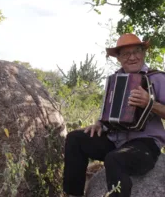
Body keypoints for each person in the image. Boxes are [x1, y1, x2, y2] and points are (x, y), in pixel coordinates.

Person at [63, 33, 165, 197]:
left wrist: (150, 103)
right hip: (114, 139)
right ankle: (73, 194)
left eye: (136, 52)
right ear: (118, 58)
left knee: (114, 159)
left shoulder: (157, 78)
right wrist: (98, 123)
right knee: (75, 139)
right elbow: (110, 111)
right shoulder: (115, 80)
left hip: (145, 145)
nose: (132, 57)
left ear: (143, 53)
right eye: (125, 54)